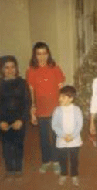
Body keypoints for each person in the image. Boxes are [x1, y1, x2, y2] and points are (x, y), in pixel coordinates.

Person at [26, 42, 65, 174]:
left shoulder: (55, 68)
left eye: (44, 53)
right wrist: (32, 109)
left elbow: (61, 90)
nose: (42, 57)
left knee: (55, 136)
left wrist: (63, 109)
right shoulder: (31, 71)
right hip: (41, 110)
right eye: (39, 54)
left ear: (48, 54)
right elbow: (32, 92)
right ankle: (46, 161)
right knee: (43, 137)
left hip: (55, 109)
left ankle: (56, 161)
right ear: (35, 55)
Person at [0, 55, 30, 178]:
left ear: (16, 68)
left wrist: (22, 119)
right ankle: (9, 169)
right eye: (6, 68)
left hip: (19, 119)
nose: (10, 70)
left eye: (12, 67)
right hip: (4, 120)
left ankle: (18, 168)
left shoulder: (22, 83)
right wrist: (1, 121)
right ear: (2, 69)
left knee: (18, 144)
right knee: (6, 145)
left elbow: (27, 102)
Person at [51, 85, 83, 186]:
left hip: (75, 139)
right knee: (62, 159)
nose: (59, 99)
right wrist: (63, 135)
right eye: (60, 96)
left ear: (71, 99)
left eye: (63, 97)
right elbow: (54, 125)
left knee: (74, 159)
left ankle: (74, 175)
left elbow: (79, 124)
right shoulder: (57, 110)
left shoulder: (77, 110)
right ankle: (63, 174)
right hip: (62, 139)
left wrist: (73, 136)